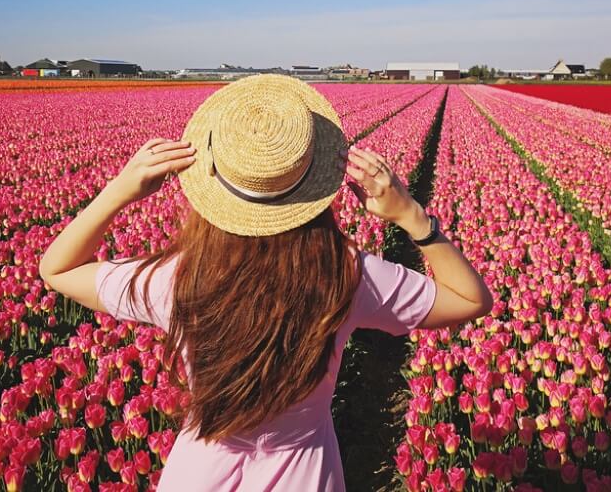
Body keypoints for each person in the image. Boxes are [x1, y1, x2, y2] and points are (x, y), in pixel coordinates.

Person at [39, 75, 493, 491]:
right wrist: (411, 216)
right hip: (304, 475)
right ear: (313, 182)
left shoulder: (176, 278)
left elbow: (56, 270)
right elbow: (470, 300)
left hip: (197, 475)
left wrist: (118, 190)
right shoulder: (346, 275)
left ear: (212, 183)